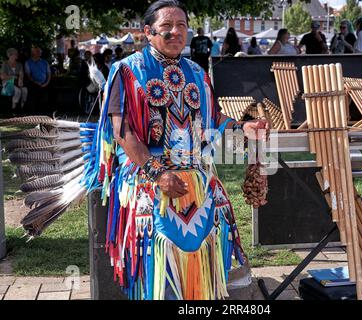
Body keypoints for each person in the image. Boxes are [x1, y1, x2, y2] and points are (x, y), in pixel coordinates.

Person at [98, 0, 268, 300]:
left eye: (182, 26)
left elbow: (212, 119)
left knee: (205, 260)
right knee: (158, 265)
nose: (176, 32)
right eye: (167, 27)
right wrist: (158, 173)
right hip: (148, 177)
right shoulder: (127, 71)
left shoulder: (196, 72)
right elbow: (121, 131)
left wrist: (243, 129)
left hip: (196, 178)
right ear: (148, 32)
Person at [25, 45, 51, 112]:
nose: (40, 53)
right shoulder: (28, 62)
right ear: (33, 53)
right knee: (34, 89)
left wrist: (46, 83)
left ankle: (47, 110)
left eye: (40, 51)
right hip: (33, 82)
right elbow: (28, 75)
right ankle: (34, 110)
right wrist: (36, 82)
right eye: (38, 51)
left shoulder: (45, 62)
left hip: (45, 82)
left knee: (52, 90)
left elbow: (49, 74)